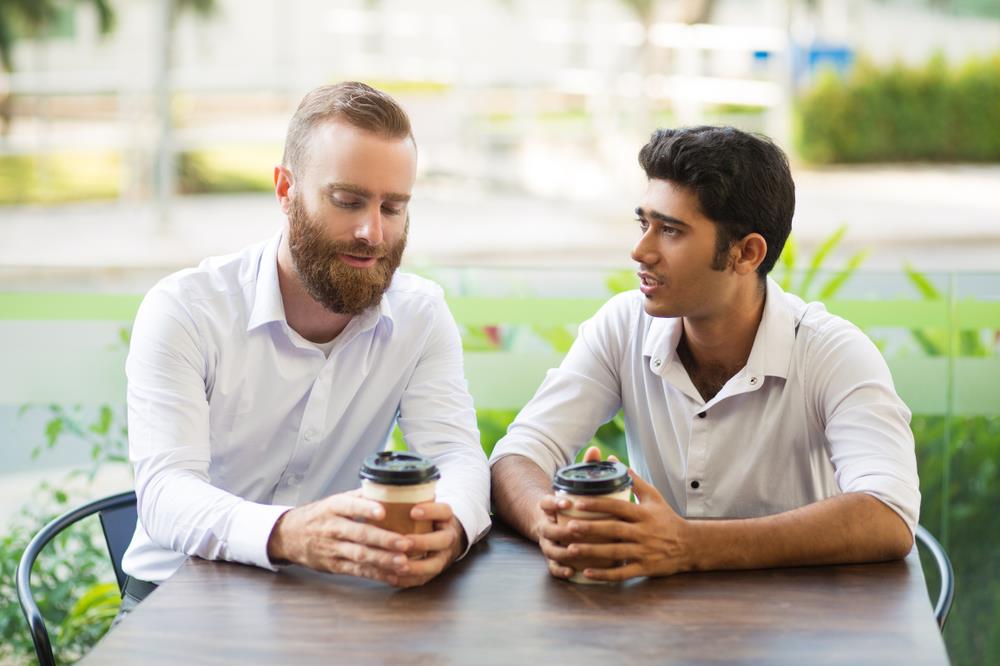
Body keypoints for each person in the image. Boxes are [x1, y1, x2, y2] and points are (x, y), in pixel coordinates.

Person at [119, 82, 491, 613]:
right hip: (173, 599)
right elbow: (166, 494)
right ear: (285, 189)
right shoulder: (185, 310)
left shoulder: (421, 314)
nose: (373, 233)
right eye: (348, 201)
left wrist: (449, 526)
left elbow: (457, 456)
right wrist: (288, 534)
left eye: (394, 207)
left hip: (323, 598)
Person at [489, 126, 920, 583]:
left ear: (746, 253)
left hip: (801, 629)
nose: (640, 250)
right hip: (661, 628)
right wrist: (554, 524)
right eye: (644, 223)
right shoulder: (623, 325)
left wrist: (686, 545)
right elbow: (518, 455)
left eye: (670, 230)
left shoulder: (833, 352)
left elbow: (887, 514)